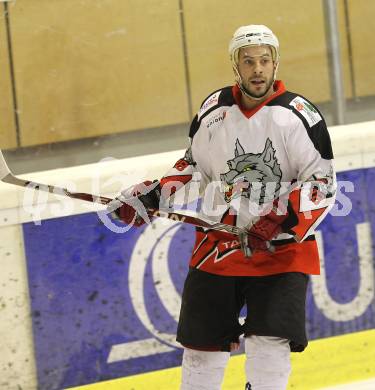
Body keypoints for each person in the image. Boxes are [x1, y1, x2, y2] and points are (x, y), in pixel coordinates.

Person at [113, 24, 336, 390]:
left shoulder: (298, 114)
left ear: (276, 63)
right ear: (236, 66)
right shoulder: (214, 110)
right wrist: (151, 198)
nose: (257, 69)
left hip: (281, 250)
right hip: (218, 245)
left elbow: (323, 182)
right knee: (201, 352)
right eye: (248, 61)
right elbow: (194, 168)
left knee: (269, 346)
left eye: (264, 60)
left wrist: (280, 218)